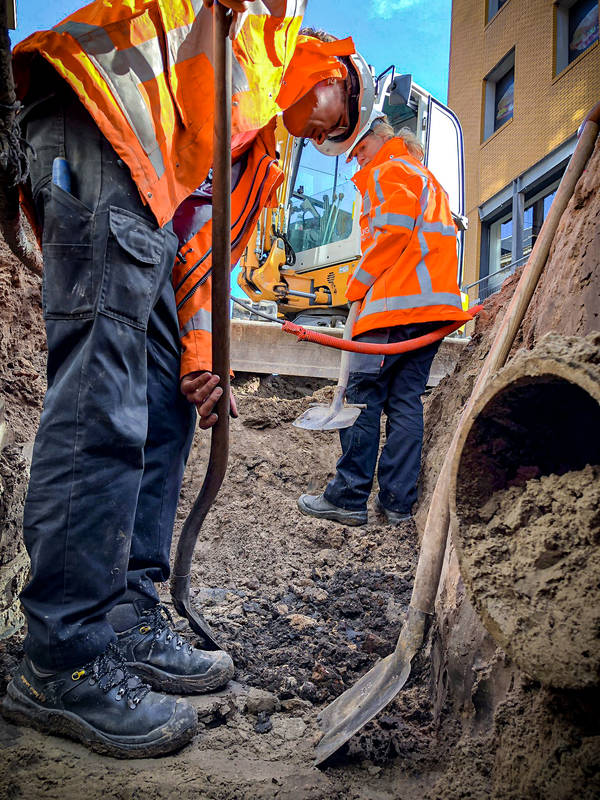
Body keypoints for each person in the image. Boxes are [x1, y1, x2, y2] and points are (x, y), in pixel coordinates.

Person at [2, 1, 374, 758]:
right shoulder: (266, 43)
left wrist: (201, 357)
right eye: (337, 122)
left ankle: (127, 613)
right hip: (107, 122)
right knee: (102, 400)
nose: (325, 137)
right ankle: (62, 656)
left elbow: (201, 242)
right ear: (335, 70)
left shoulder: (256, 124)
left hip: (145, 176)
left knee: (165, 408)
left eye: (334, 138)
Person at [298, 114, 472, 527]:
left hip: (392, 309)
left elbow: (391, 233)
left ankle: (348, 498)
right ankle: (396, 505)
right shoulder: (429, 181)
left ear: (380, 138)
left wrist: (357, 283)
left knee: (361, 400)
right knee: (405, 404)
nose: (357, 161)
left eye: (359, 150)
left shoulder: (387, 171)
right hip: (431, 313)